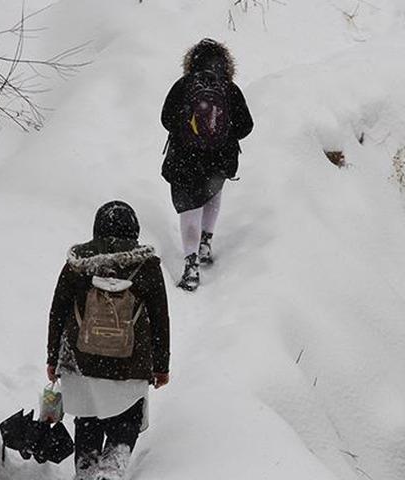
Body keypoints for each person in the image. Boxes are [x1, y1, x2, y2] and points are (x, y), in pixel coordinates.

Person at [46, 201, 170, 480]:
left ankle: (86, 471)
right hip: (130, 362)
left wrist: (53, 358)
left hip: (80, 360)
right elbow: (160, 317)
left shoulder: (77, 264)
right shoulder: (146, 266)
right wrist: (161, 366)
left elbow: (58, 312)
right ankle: (111, 469)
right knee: (127, 418)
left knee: (88, 418)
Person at [160, 38, 254, 291]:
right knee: (212, 192)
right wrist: (221, 134)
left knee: (189, 209)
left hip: (184, 160)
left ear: (191, 62)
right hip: (218, 160)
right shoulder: (229, 89)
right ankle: (206, 242)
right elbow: (246, 126)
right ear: (225, 64)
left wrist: (188, 131)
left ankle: (191, 265)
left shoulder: (183, 85)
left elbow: (166, 119)